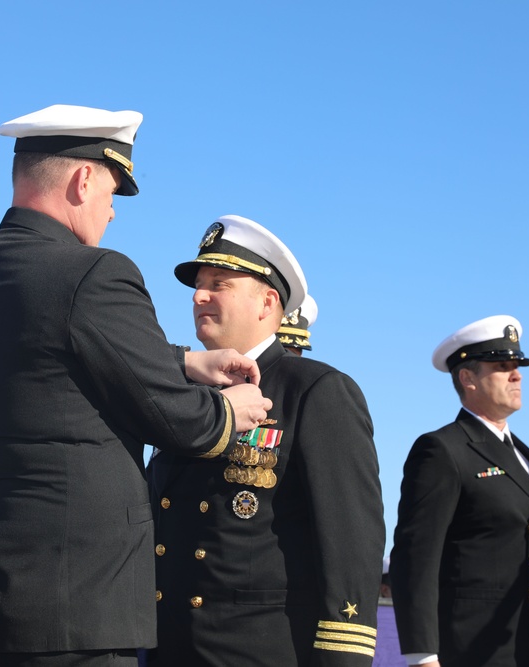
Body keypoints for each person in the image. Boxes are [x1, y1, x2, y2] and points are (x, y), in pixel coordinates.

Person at [0, 106, 272, 667]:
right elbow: (179, 419)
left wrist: (185, 361)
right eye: (111, 192)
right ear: (84, 180)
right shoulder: (94, 272)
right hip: (65, 616)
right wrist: (232, 409)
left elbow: (50, 360)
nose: (110, 213)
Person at [147, 215, 385, 666]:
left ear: (267, 302)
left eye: (219, 283)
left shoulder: (315, 391)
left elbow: (350, 540)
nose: (199, 296)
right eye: (199, 285)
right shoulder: (185, 398)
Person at [389, 315, 529, 667]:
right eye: (502, 366)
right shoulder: (443, 450)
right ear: (468, 378)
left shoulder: (528, 460)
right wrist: (422, 656)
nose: (517, 374)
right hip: (469, 651)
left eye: (517, 365)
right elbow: (415, 557)